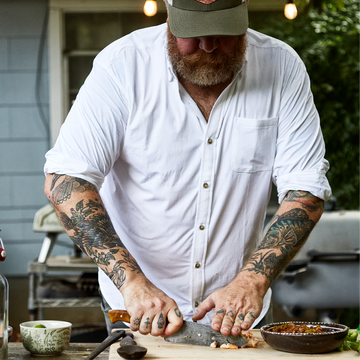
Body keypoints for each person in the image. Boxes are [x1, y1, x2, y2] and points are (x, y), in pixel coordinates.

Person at [43, 0, 331, 338]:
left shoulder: (282, 67)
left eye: (223, 29)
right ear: (169, 15)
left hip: (238, 313)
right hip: (137, 311)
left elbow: (306, 188)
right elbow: (66, 180)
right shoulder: (121, 66)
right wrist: (133, 283)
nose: (208, 45)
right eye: (192, 32)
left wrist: (252, 281)